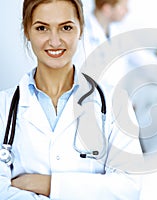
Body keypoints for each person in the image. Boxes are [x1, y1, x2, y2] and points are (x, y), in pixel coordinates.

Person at [0, 0, 142, 199]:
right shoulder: (3, 107)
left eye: (66, 27)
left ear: (81, 29)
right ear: (27, 31)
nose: (55, 41)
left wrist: (50, 185)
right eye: (42, 28)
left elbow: (128, 188)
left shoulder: (115, 103)